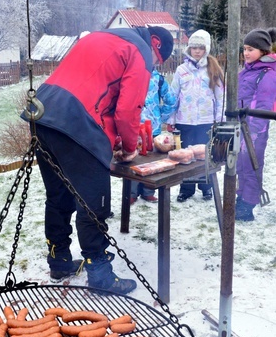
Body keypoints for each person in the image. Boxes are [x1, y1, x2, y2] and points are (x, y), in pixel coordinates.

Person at [22, 26, 174, 294]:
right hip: (76, 123)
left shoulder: (99, 36)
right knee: (94, 202)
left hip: (43, 114)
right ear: (155, 43)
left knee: (59, 197)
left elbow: (95, 89)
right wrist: (129, 148)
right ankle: (100, 273)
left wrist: (111, 137)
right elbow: (128, 110)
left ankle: (59, 261)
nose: (152, 67)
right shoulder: (138, 51)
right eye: (157, 61)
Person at [166, 29, 225, 202]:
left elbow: (220, 96)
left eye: (200, 47)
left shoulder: (213, 69)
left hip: (206, 121)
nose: (197, 51)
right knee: (185, 157)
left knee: (204, 155)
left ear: (206, 48)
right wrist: (172, 119)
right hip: (185, 121)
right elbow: (173, 96)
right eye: (194, 48)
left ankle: (206, 187)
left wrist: (219, 120)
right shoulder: (181, 70)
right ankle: (186, 188)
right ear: (189, 49)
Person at [235, 28, 276, 221]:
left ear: (263, 51)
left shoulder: (267, 73)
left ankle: (247, 206)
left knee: (252, 165)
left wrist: (254, 131)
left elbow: (264, 105)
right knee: (240, 165)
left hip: (254, 130)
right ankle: (241, 197)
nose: (246, 53)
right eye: (244, 48)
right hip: (239, 126)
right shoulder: (246, 71)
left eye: (251, 49)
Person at [130, 67, 177, 204]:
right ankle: (132, 193)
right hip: (133, 127)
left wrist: (160, 116)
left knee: (152, 160)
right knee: (132, 159)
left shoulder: (158, 79)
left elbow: (171, 100)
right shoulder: (130, 74)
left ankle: (149, 191)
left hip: (153, 127)